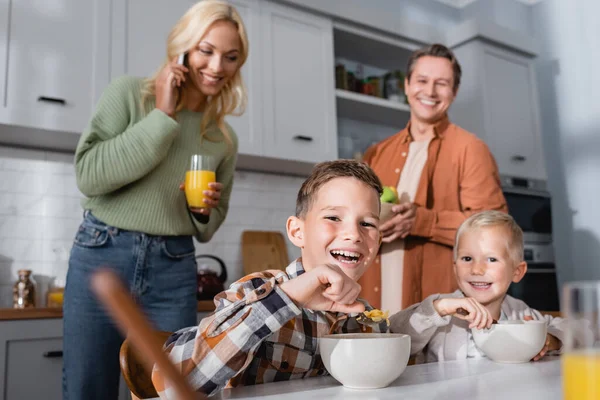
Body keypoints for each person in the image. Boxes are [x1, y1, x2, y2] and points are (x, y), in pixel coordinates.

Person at [62, 1, 249, 398]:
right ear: (182, 48)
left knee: (166, 390)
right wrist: (163, 115)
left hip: (173, 265)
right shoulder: (130, 95)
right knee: (86, 388)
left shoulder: (223, 138)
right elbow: (91, 176)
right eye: (206, 50)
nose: (217, 67)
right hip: (102, 253)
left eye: (230, 57)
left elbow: (209, 227)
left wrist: (202, 210)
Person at [151, 160, 388, 398]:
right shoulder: (255, 292)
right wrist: (287, 298)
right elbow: (169, 384)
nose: (354, 235)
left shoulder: (365, 320)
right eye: (334, 218)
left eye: (367, 224)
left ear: (377, 244)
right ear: (297, 232)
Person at [359, 43, 507, 313]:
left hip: (439, 315)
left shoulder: (470, 149)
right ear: (406, 85)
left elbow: (493, 231)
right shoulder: (376, 153)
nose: (429, 91)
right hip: (373, 306)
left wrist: (424, 221)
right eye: (422, 81)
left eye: (441, 83)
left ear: (454, 91)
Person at [389, 210, 568, 363]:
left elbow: (580, 329)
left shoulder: (520, 313)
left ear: (517, 272)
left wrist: (551, 339)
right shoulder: (443, 311)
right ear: (455, 266)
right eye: (467, 259)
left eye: (491, 259)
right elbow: (393, 336)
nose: (476, 269)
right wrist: (437, 308)